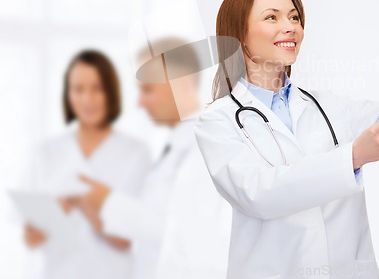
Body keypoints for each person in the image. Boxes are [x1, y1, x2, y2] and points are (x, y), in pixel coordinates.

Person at [194, 0, 379, 279]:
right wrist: (352, 157)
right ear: (239, 35)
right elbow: (256, 193)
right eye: (272, 18)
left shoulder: (328, 106)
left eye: (295, 18)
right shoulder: (217, 120)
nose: (290, 27)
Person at [69, 37, 231, 279]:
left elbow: (187, 236)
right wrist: (99, 213)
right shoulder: (173, 149)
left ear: (180, 83)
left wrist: (108, 202)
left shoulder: (206, 148)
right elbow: (152, 229)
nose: (140, 102)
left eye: (148, 89)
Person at [21, 50, 151, 279]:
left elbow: (126, 239)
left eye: (97, 88)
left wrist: (82, 202)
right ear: (68, 95)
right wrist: (58, 212)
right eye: (78, 89)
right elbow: (31, 238)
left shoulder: (136, 154)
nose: (87, 99)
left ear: (110, 93)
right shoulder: (45, 153)